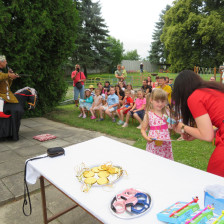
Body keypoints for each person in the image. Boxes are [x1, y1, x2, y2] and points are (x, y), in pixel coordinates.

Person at [172, 70, 224, 177]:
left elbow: (207, 136)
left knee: (214, 179)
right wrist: (196, 135)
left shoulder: (195, 97)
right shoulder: (211, 90)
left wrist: (182, 127)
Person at [141, 88, 173, 160]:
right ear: (151, 100)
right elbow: (143, 129)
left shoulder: (167, 112)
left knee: (166, 161)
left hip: (165, 144)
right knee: (154, 160)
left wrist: (173, 124)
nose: (160, 104)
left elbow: (171, 125)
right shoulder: (148, 115)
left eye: (162, 101)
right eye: (157, 101)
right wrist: (147, 138)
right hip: (154, 144)